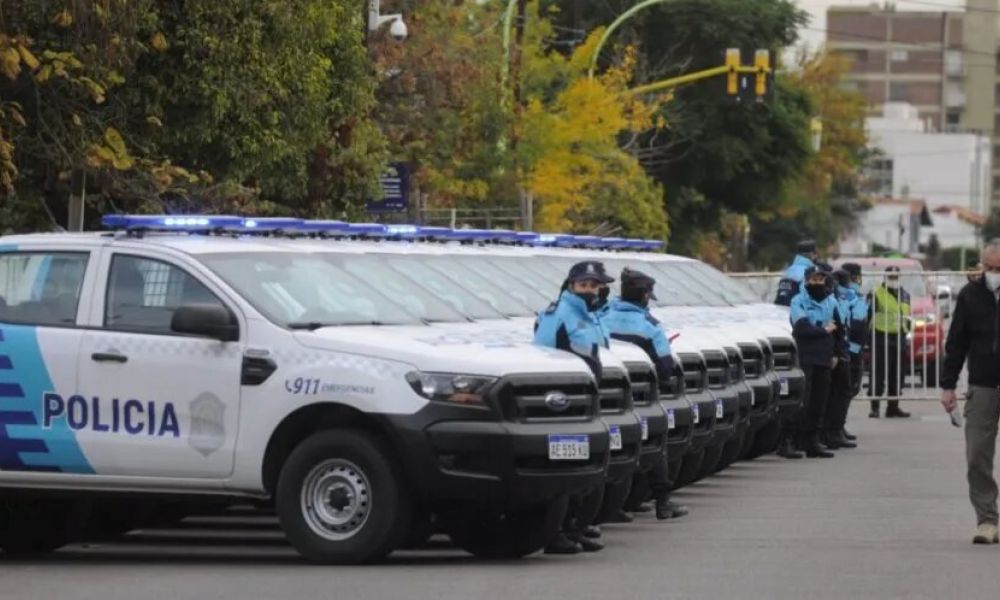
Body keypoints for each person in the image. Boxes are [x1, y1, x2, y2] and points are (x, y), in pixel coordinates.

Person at [534, 260, 613, 554]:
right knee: (568, 467)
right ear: (571, 286)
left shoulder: (593, 315)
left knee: (590, 467)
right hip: (566, 403)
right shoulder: (558, 314)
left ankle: (575, 527)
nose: (590, 290)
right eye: (584, 285)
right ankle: (556, 532)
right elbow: (542, 354)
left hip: (591, 399)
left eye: (595, 286)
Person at [602, 268, 689, 521]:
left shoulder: (602, 317)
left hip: (606, 397)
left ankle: (613, 505)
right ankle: (663, 502)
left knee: (613, 451)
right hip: (640, 398)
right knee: (655, 447)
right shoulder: (650, 327)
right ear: (645, 296)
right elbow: (665, 368)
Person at [941, 240, 1000, 544]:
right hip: (983, 384)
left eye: (999, 269)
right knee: (977, 453)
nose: (993, 274)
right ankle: (987, 520)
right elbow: (956, 343)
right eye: (989, 268)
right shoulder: (970, 296)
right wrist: (948, 385)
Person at [789, 266, 845, 458]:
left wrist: (837, 353)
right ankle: (790, 441)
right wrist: (824, 331)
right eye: (813, 280)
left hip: (824, 357)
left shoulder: (831, 301)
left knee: (819, 402)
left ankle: (812, 442)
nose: (817, 283)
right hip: (805, 357)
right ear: (806, 281)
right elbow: (802, 329)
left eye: (820, 279)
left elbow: (839, 330)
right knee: (802, 401)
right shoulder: (798, 301)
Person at [823, 269, 861, 450]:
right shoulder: (839, 299)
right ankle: (833, 431)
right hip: (839, 350)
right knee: (840, 392)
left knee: (838, 392)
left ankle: (834, 430)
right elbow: (845, 325)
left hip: (840, 350)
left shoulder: (836, 299)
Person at [867, 266, 911, 419]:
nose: (893, 279)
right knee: (879, 373)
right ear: (885, 277)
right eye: (891, 276)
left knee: (897, 374)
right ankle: (875, 407)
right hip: (881, 336)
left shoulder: (905, 294)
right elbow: (868, 316)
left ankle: (893, 407)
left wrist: (907, 330)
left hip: (899, 337)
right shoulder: (876, 293)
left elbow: (907, 316)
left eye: (896, 276)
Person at [840, 262, 868, 442]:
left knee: (849, 389)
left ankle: (839, 425)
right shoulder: (850, 295)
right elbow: (855, 323)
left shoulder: (852, 294)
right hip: (851, 349)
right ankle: (837, 426)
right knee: (846, 389)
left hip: (853, 347)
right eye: (857, 275)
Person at [774, 240, 819, 306]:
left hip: (780, 312)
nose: (816, 257)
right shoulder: (810, 272)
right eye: (815, 254)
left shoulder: (788, 271)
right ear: (811, 254)